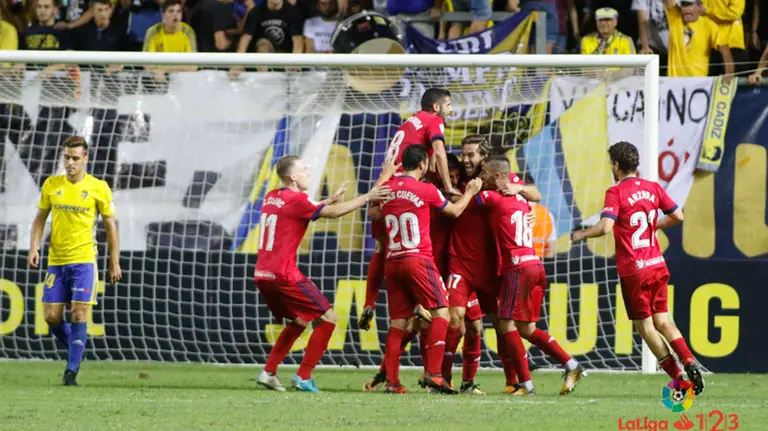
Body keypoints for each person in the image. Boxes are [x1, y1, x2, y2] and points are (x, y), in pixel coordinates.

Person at [572, 141, 703, 395]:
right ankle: (689, 361)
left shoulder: (616, 192)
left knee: (645, 327)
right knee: (664, 321)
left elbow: (606, 227)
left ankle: (679, 379)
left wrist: (582, 234)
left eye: (611, 163)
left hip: (635, 270)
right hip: (657, 263)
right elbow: (678, 216)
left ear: (617, 165)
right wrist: (654, 225)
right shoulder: (653, 188)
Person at [253, 155, 392, 393]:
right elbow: (334, 214)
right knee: (328, 319)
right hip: (285, 275)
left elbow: (299, 211)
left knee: (299, 320)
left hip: (262, 275)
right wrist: (367, 197)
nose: (308, 173)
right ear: (293, 177)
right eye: (304, 170)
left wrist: (327, 200)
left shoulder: (272, 196)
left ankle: (268, 372)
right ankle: (303, 377)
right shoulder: (298, 200)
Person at [379, 144, 482, 394]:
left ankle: (392, 383)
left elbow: (374, 208)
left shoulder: (386, 189)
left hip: (392, 261)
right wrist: (470, 191)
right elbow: (456, 211)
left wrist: (385, 176)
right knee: (442, 313)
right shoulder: (426, 190)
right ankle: (434, 375)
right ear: (424, 164)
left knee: (398, 324)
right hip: (418, 260)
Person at [442, 135, 541, 395]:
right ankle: (444, 379)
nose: (465, 160)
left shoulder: (498, 179)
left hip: (492, 266)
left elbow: (535, 193)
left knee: (501, 323)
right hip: (461, 262)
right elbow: (450, 199)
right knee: (459, 320)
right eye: (463, 154)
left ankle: (512, 381)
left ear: (484, 158)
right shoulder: (459, 181)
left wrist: (520, 194)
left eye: (471, 155)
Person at [477, 155, 583, 396]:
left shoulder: (491, 198)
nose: (480, 178)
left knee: (505, 324)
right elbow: (534, 194)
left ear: (496, 177)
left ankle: (525, 384)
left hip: (518, 267)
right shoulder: (520, 196)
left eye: (483, 173)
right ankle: (571, 364)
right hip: (535, 264)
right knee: (527, 329)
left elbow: (463, 202)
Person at [358, 88, 458, 334]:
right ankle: (419, 300)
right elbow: (440, 153)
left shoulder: (407, 125)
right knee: (417, 245)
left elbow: (429, 159)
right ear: (436, 107)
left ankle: (369, 303)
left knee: (384, 249)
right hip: (406, 189)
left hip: (385, 187)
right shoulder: (433, 121)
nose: (451, 110)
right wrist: (448, 186)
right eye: (448, 105)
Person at [28, 136, 122, 386]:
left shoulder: (98, 187)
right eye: (67, 158)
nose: (70, 163)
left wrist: (114, 261)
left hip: (84, 261)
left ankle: (71, 371)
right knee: (51, 316)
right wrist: (34, 248)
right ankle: (75, 347)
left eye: (75, 158)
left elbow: (111, 226)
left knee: (79, 314)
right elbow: (39, 219)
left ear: (85, 159)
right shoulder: (52, 184)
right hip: (56, 261)